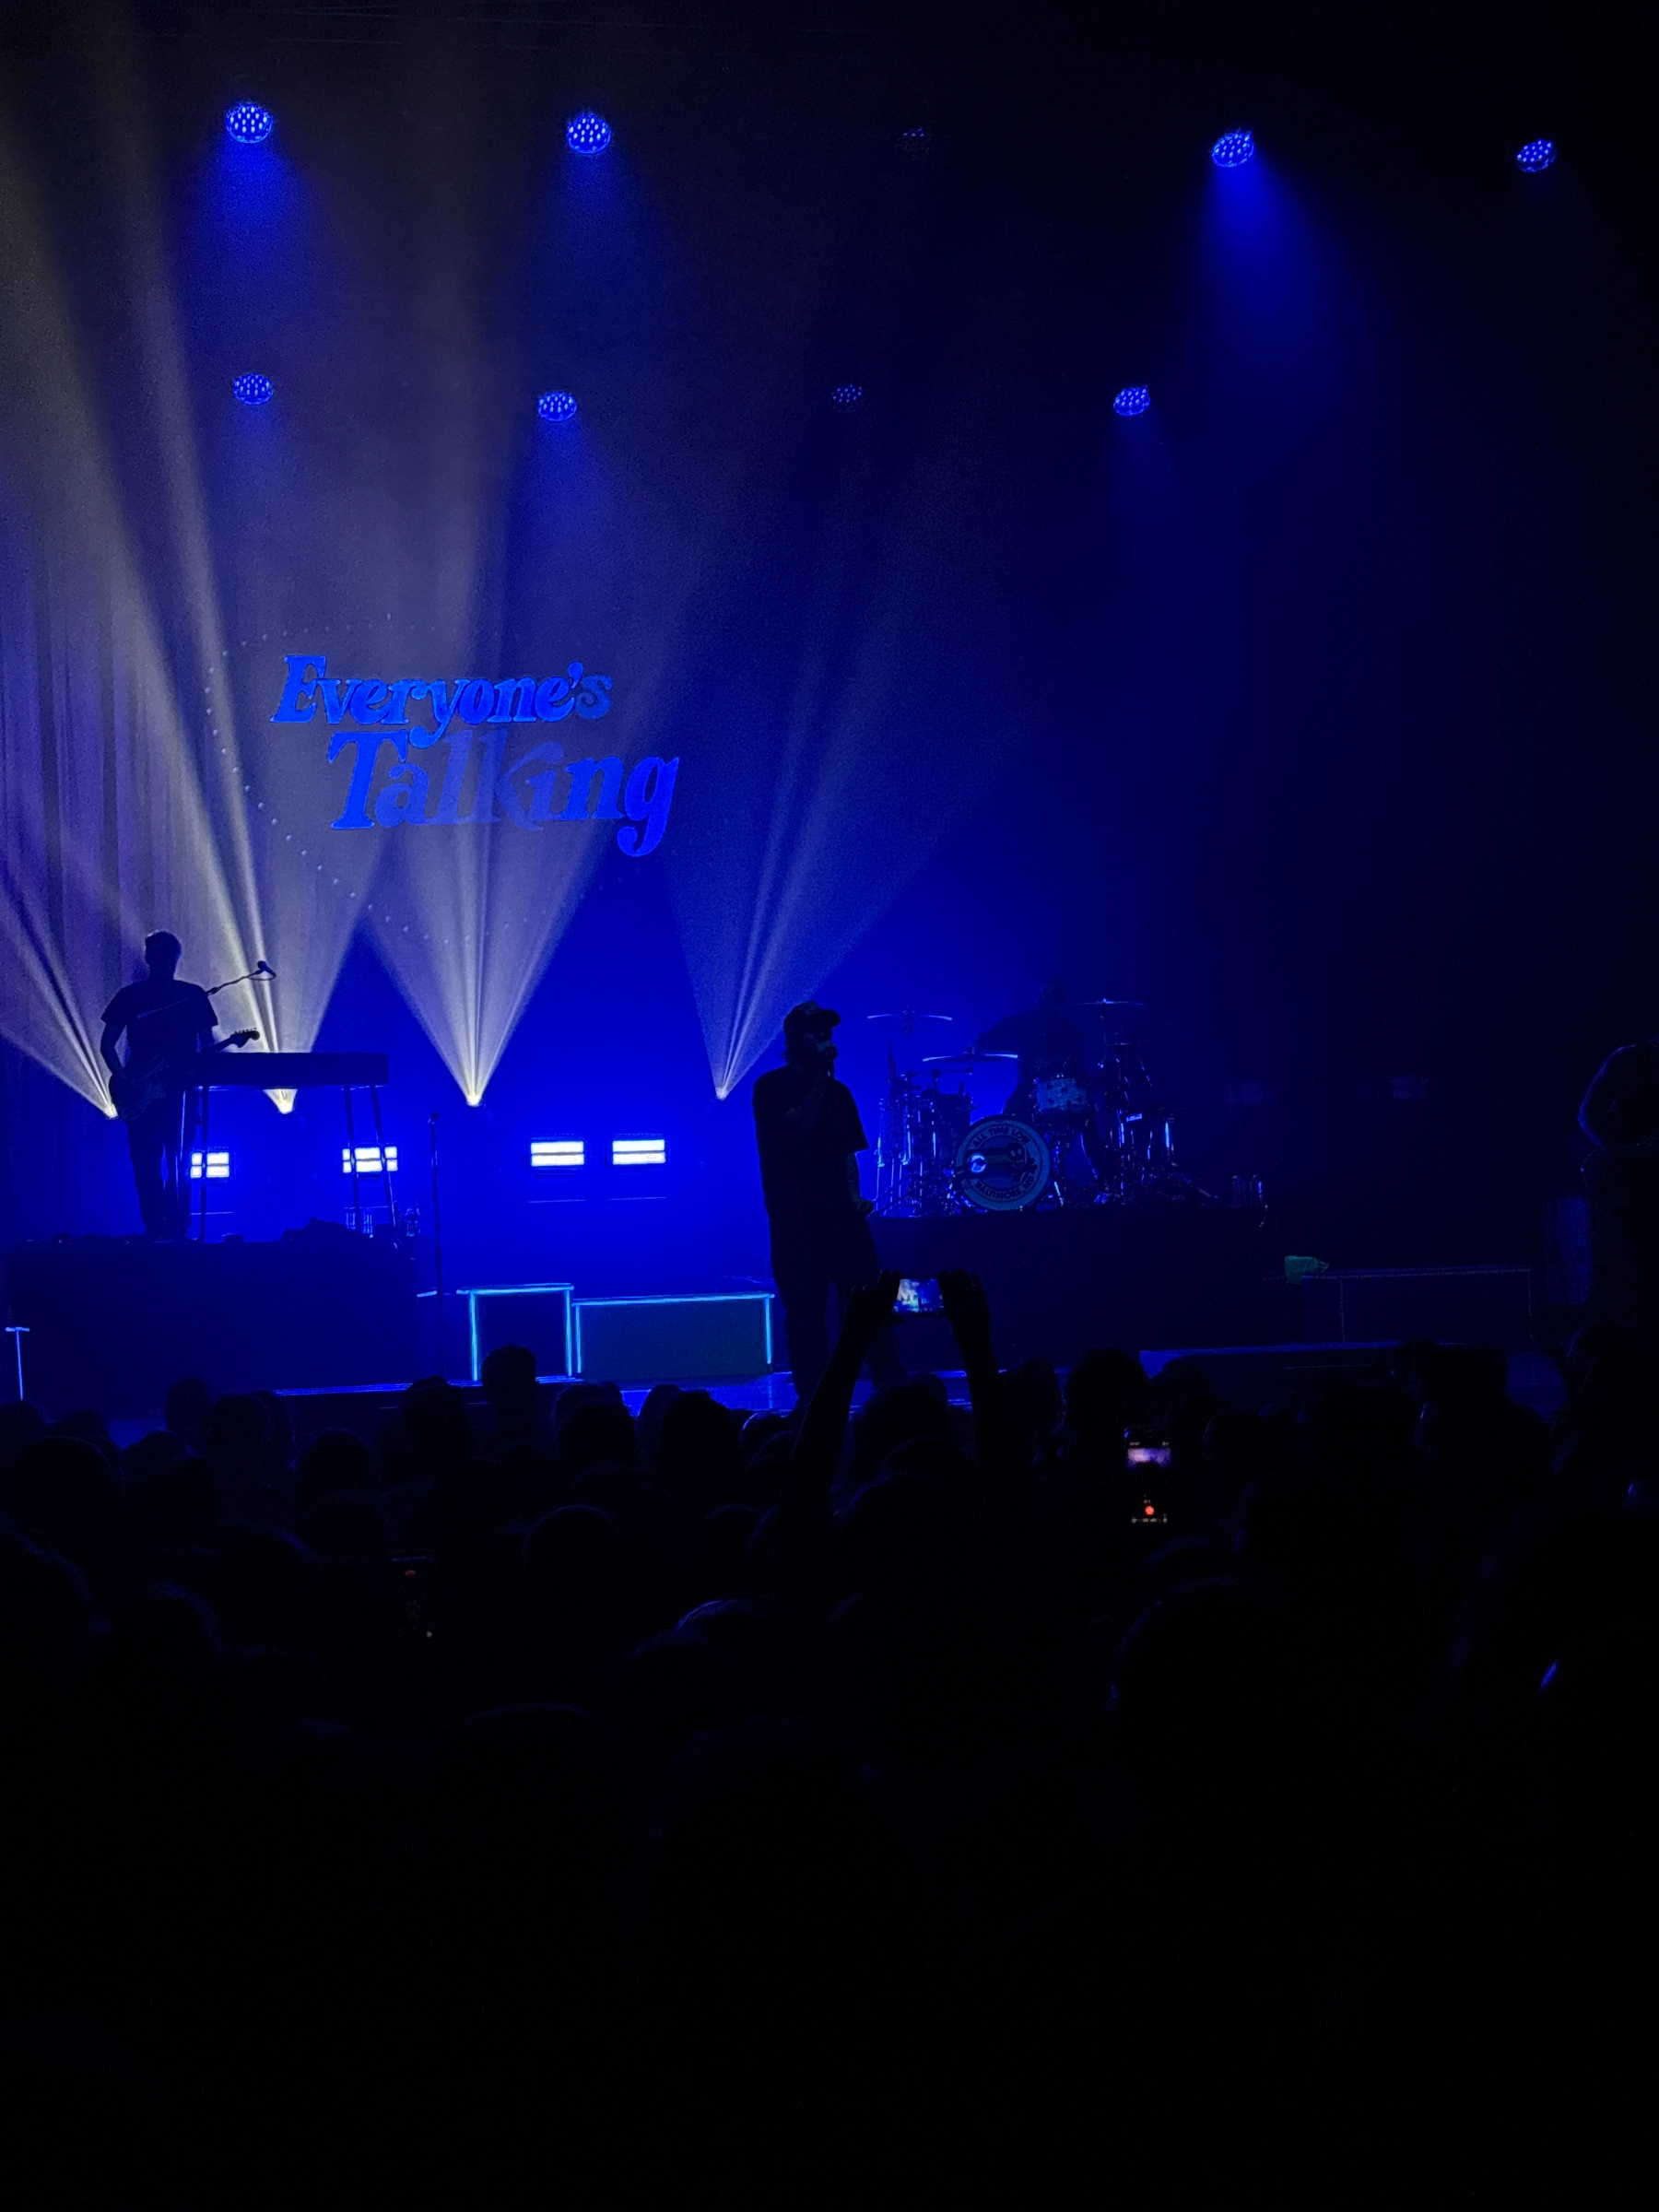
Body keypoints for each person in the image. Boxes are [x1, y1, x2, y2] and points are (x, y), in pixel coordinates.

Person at [752, 1000, 905, 1404]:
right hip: (795, 1222)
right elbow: (800, 1124)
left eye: (828, 1031)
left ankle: (893, 1397)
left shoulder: (840, 1093)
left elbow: (847, 1153)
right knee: (806, 1320)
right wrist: (821, 1074)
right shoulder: (770, 1088)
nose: (824, 1039)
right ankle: (815, 1405)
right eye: (814, 1032)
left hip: (842, 1221)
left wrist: (855, 1197)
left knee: (870, 1311)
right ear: (795, 1040)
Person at [100, 932, 218, 1238]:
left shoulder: (192, 995)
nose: (163, 960)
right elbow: (107, 1044)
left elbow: (207, 1048)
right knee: (149, 1164)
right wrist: (125, 1078)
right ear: (150, 957)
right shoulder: (132, 996)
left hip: (180, 1091)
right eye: (158, 953)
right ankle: (161, 1228)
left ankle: (172, 1227)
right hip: (144, 1090)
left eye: (167, 954)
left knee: (175, 1163)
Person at [1578, 1033, 1659, 1326]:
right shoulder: (1630, 1060)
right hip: (1635, 1186)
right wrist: (1616, 1153)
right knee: (1640, 1268)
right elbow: (1588, 1112)